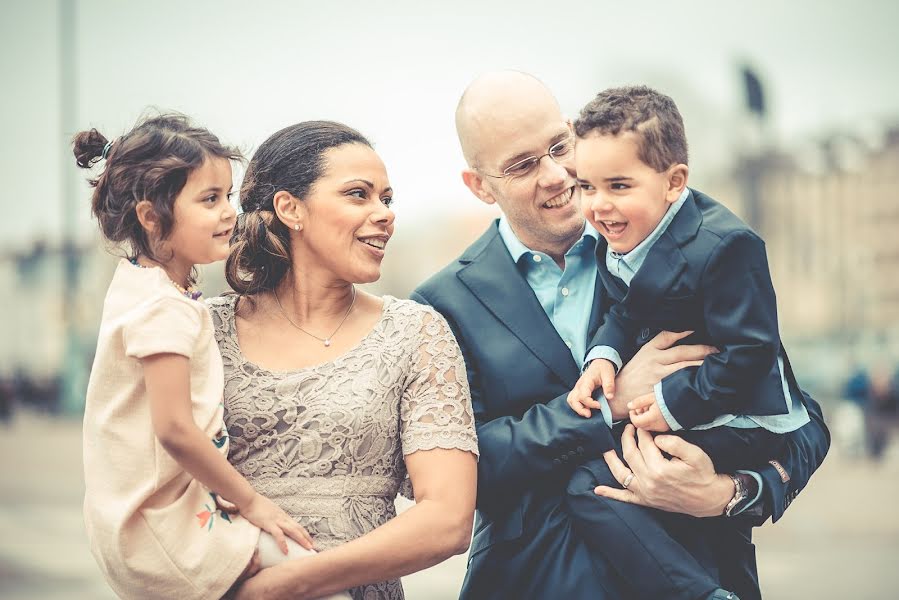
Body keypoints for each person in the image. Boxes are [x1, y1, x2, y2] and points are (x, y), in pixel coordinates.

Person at [411, 71, 830, 600]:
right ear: (478, 185)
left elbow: (797, 413)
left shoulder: (677, 249)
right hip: (530, 583)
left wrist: (731, 492)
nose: (556, 175)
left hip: (704, 571)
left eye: (559, 147)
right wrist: (610, 405)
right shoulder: (439, 304)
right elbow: (465, 470)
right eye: (521, 165)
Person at [76, 114, 350, 600]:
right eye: (209, 199)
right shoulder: (163, 308)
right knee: (321, 580)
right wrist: (254, 503)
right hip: (161, 529)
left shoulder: (143, 286)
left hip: (145, 519)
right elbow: (175, 428)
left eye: (228, 196)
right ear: (151, 216)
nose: (229, 212)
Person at [208, 120, 479, 600]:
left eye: (387, 199)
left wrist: (292, 581)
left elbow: (448, 520)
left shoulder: (417, 333)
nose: (385, 214)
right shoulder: (203, 332)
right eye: (359, 194)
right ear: (290, 208)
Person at [562, 85, 813, 599]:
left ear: (674, 182)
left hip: (742, 417)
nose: (597, 205)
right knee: (626, 482)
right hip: (693, 408)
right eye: (585, 186)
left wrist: (669, 404)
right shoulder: (624, 235)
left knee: (593, 479)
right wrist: (603, 358)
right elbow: (621, 311)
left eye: (617, 185)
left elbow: (752, 352)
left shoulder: (727, 247)